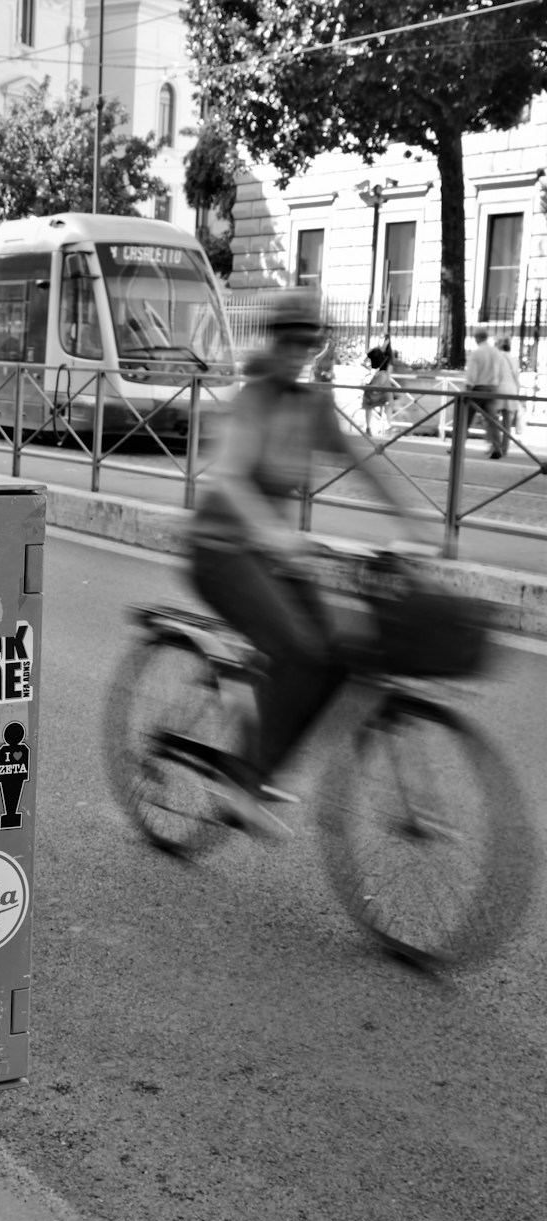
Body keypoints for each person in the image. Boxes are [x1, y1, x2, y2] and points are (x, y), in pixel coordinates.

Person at [190, 289, 422, 837]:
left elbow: (361, 461)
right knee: (295, 647)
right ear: (275, 341)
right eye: (290, 339)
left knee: (339, 651)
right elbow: (229, 476)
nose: (300, 350)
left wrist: (411, 523)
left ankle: (260, 765)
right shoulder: (253, 400)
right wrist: (274, 533)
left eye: (310, 341)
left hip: (274, 555)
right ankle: (241, 781)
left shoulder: (312, 404)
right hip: (221, 550)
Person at [462, 327, 505, 458]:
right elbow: (501, 373)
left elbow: (471, 374)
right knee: (493, 421)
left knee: (465, 419)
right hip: (493, 389)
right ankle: (497, 448)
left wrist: (467, 390)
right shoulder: (496, 352)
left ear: (477, 338)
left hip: (478, 389)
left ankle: (457, 446)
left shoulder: (476, 353)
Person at [362, 345, 394, 439]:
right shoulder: (387, 357)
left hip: (375, 381)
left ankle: (369, 428)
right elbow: (389, 372)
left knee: (369, 405)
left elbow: (363, 361)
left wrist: (370, 370)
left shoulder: (376, 353)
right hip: (383, 381)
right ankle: (388, 426)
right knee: (387, 404)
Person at [496, 336, 522, 450]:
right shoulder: (514, 359)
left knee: (492, 418)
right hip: (511, 391)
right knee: (507, 422)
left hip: (498, 390)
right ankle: (505, 447)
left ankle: (496, 446)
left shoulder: (497, 357)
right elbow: (516, 376)